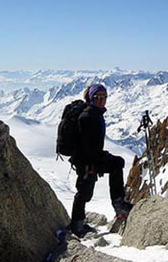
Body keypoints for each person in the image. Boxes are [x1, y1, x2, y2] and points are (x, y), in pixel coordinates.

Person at [69, 83, 133, 237]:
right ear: (91, 98)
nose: (101, 100)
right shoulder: (88, 116)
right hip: (87, 160)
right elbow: (86, 144)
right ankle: (78, 226)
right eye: (97, 97)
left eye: (104, 97)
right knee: (84, 191)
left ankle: (79, 223)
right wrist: (94, 161)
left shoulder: (94, 113)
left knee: (85, 190)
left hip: (90, 158)